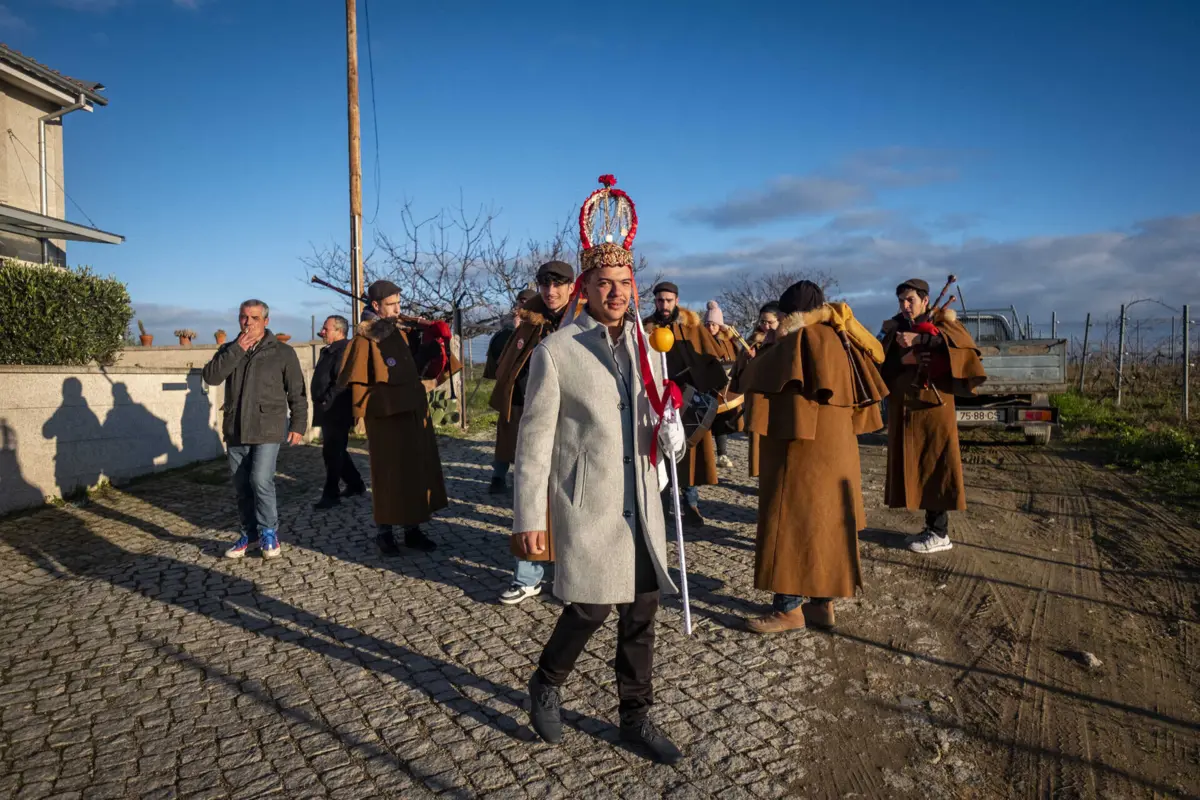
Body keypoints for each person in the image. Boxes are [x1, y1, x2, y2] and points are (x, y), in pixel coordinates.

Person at [515, 175, 686, 763]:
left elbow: (661, 413)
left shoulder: (649, 344)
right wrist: (529, 519)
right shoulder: (555, 352)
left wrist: (673, 432)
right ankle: (546, 682)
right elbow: (533, 444)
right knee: (588, 606)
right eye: (605, 283)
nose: (617, 292)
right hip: (588, 502)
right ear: (585, 288)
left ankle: (635, 719)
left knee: (642, 610)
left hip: (641, 497)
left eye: (624, 282)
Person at [734, 281, 887, 634]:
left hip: (801, 450)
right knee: (827, 524)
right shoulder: (845, 340)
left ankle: (789, 609)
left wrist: (757, 349)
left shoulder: (800, 339)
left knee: (790, 521)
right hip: (838, 452)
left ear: (792, 314)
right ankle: (822, 605)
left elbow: (752, 379)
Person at [337, 280, 447, 554]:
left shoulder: (400, 332)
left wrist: (430, 341)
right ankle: (384, 532)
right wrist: (361, 414)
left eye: (399, 303)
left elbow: (415, 368)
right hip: (385, 417)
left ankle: (413, 529)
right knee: (388, 474)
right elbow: (357, 380)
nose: (398, 309)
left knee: (414, 471)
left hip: (411, 411)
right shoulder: (365, 338)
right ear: (375, 306)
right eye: (392, 304)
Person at [489, 261, 575, 605]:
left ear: (571, 286)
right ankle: (528, 576)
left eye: (557, 286)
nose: (550, 293)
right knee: (530, 499)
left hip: (574, 423)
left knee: (572, 501)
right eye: (544, 285)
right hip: (535, 420)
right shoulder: (531, 320)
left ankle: (572, 577)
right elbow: (513, 369)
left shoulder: (585, 320)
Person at [880, 278, 987, 554]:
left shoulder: (943, 323)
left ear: (925, 300)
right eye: (901, 301)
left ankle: (940, 534)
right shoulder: (897, 326)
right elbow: (884, 361)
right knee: (919, 466)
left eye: (910, 300)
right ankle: (931, 527)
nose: (905, 306)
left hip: (933, 409)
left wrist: (921, 339)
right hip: (908, 409)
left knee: (935, 464)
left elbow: (960, 349)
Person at [202, 299, 309, 559]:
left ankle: (269, 532)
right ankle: (249, 534)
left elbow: (297, 392)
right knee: (242, 485)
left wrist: (298, 424)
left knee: (260, 480)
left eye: (254, 318)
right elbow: (211, 377)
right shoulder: (229, 349)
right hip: (236, 427)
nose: (247, 322)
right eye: (243, 317)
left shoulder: (283, 352)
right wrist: (236, 349)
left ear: (266, 321)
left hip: (268, 426)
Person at [643, 282, 728, 527]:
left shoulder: (691, 328)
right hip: (656, 400)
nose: (664, 305)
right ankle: (661, 507)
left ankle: (691, 504)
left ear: (677, 300)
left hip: (688, 400)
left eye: (669, 300)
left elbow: (710, 362)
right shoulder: (646, 328)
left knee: (686, 455)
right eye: (660, 300)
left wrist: (696, 381)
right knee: (659, 452)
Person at [310, 315, 365, 510]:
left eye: (326, 329)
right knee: (335, 449)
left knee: (332, 451)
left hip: (336, 408)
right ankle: (355, 483)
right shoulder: (329, 350)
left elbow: (342, 381)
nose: (322, 332)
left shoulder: (344, 350)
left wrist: (327, 399)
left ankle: (331, 493)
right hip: (327, 409)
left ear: (339, 331)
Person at [738, 302, 781, 479]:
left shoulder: (784, 340)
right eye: (763, 321)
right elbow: (740, 370)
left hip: (777, 399)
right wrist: (749, 359)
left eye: (770, 322)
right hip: (758, 399)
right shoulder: (753, 339)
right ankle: (761, 475)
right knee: (758, 443)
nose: (766, 326)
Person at [703, 300, 741, 470]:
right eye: (708, 324)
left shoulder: (728, 342)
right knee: (703, 424)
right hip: (705, 387)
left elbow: (737, 360)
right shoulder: (701, 340)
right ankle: (706, 457)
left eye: (714, 324)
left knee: (721, 423)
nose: (711, 328)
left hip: (724, 389)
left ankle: (722, 454)